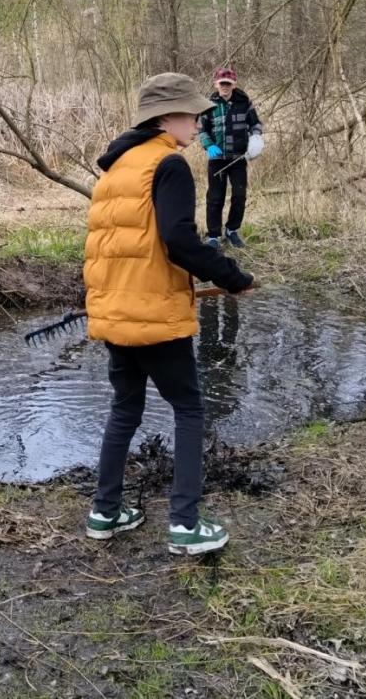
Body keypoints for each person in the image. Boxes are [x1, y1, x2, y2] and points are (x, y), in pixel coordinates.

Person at [84, 72, 255, 555]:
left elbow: (116, 249)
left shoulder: (117, 168)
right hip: (154, 313)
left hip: (116, 311)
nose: (199, 121)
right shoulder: (168, 165)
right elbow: (178, 240)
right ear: (165, 118)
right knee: (189, 408)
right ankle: (185, 524)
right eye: (191, 113)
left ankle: (106, 512)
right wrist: (230, 276)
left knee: (125, 408)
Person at [197, 66, 263, 249]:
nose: (225, 86)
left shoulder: (244, 102)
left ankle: (232, 230)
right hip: (217, 160)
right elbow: (201, 129)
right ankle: (213, 236)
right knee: (215, 197)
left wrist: (256, 137)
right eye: (222, 83)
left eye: (228, 83)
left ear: (234, 84)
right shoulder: (208, 104)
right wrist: (209, 145)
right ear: (216, 84)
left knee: (239, 196)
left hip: (238, 159)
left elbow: (255, 124)